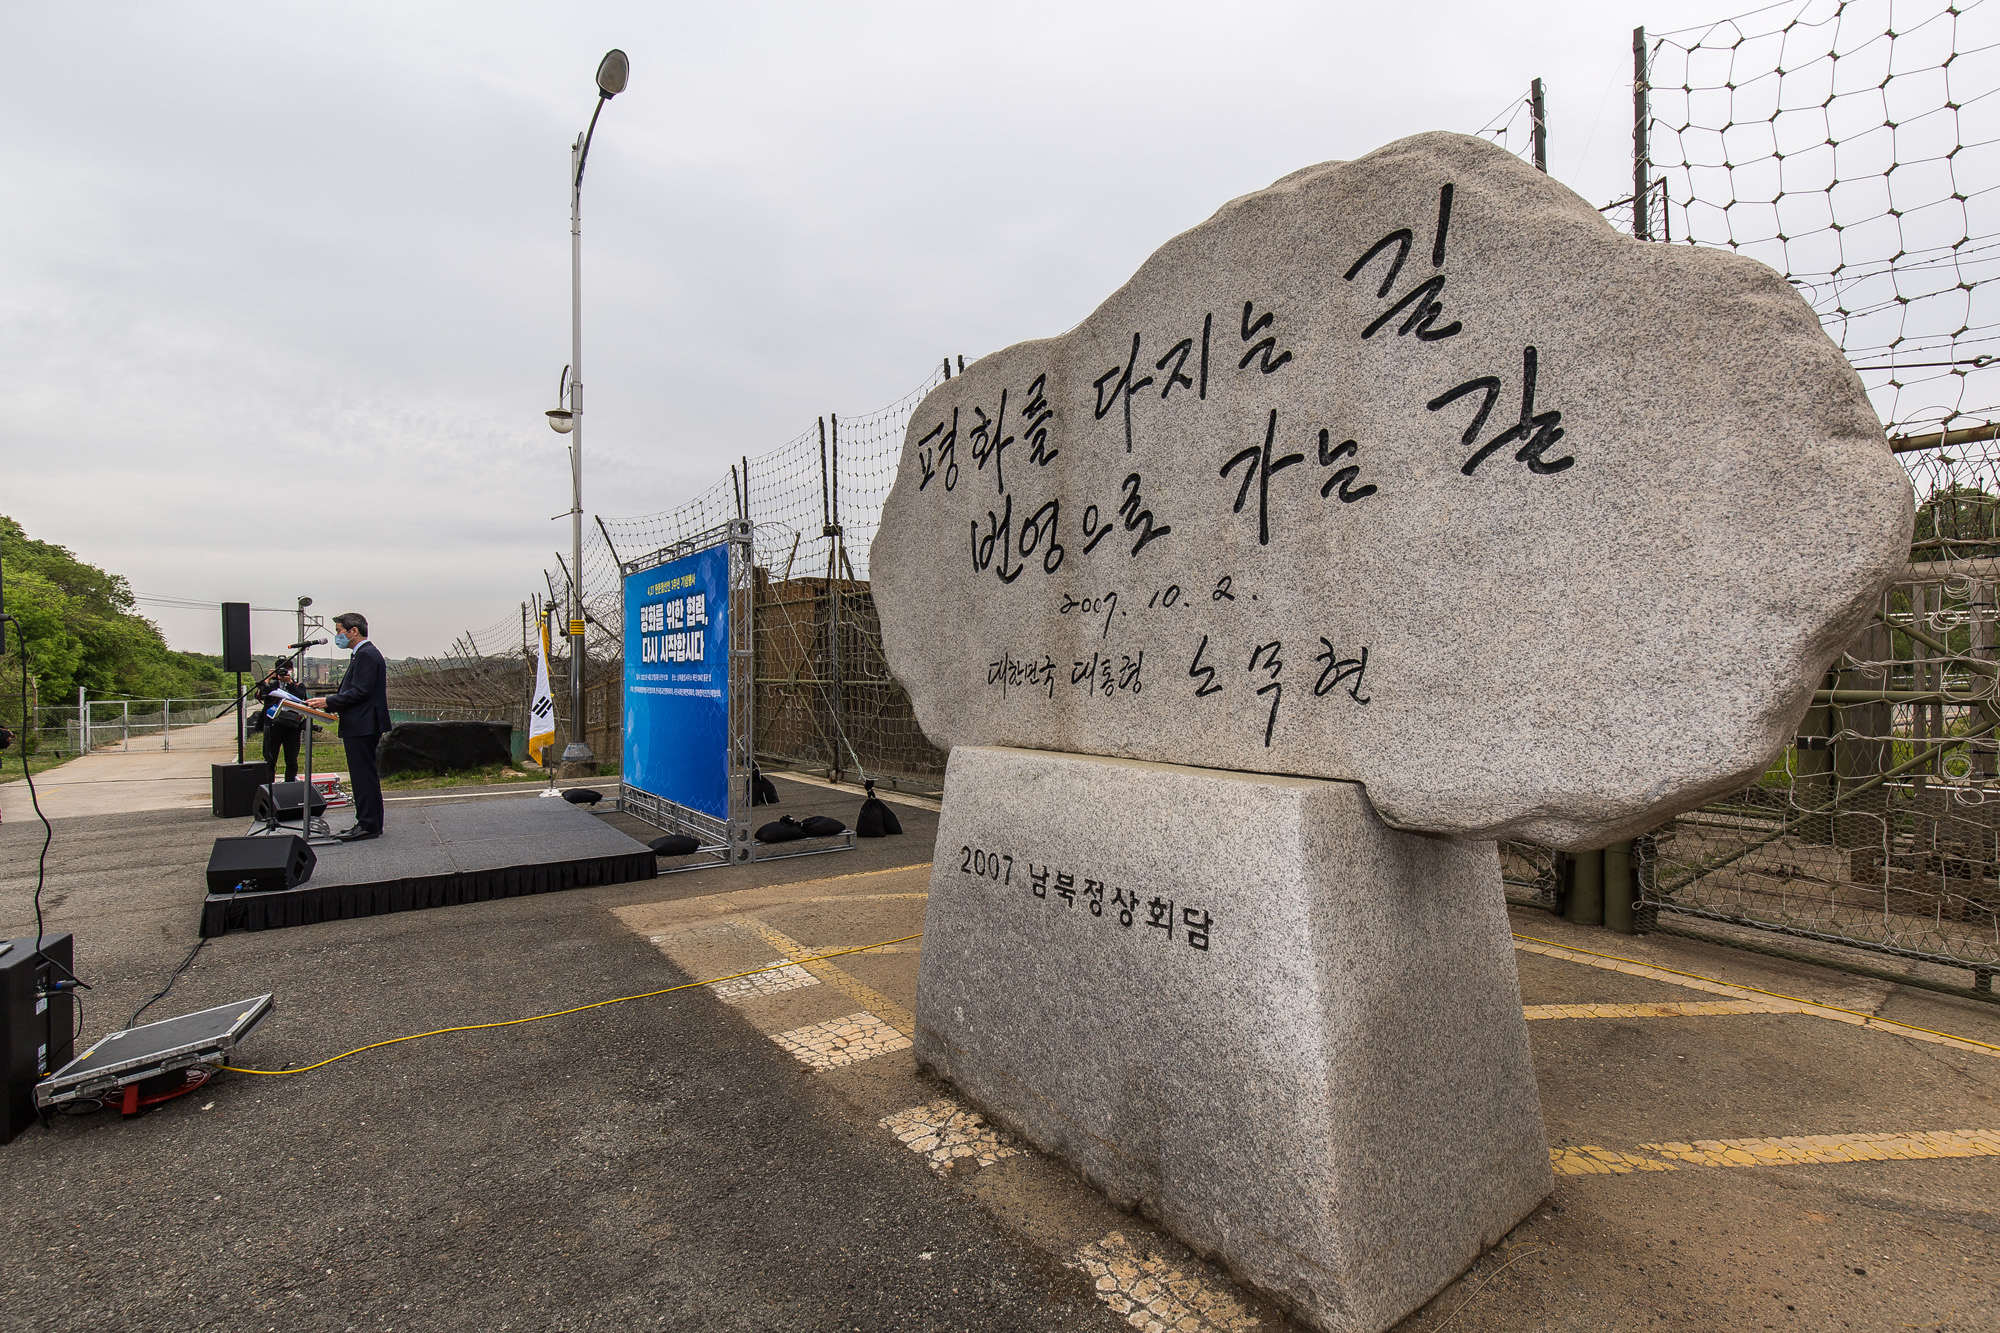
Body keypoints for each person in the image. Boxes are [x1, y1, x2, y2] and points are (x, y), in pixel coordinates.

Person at [308, 613, 389, 841]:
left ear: (354, 631)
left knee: (363, 777)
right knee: (363, 776)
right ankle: (367, 822)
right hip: (361, 723)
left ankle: (369, 824)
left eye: (339, 631)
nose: (337, 636)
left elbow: (360, 691)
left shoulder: (366, 655)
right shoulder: (362, 655)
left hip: (363, 724)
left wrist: (329, 701)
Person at [253, 660, 306, 782]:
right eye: (281, 670)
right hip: (273, 725)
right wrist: (267, 679)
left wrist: (290, 683)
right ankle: (269, 786)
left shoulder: (298, 685)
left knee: (292, 759)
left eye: (287, 669)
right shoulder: (271, 686)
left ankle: (290, 784)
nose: (284, 673)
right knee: (270, 759)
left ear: (292, 671)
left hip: (291, 726)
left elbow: (299, 698)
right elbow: (260, 696)